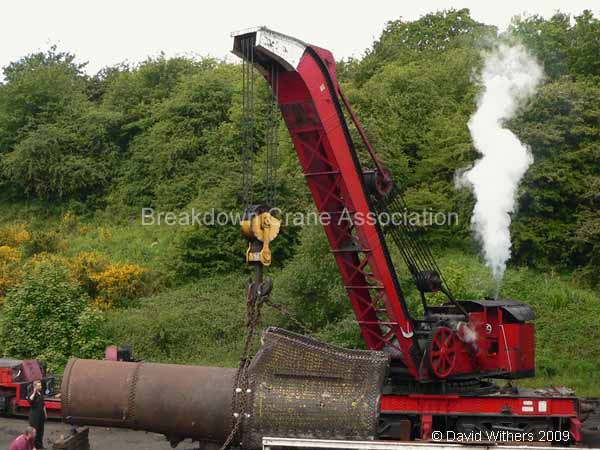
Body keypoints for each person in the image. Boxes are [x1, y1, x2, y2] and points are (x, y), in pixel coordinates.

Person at [27, 380, 46, 449]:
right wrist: (34, 392)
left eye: (40, 385)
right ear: (35, 386)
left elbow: (43, 404)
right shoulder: (32, 394)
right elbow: (30, 400)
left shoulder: (40, 394)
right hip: (34, 417)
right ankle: (33, 447)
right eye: (39, 386)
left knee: (41, 432)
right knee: (34, 432)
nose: (41, 386)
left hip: (41, 416)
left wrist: (45, 413)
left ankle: (40, 447)